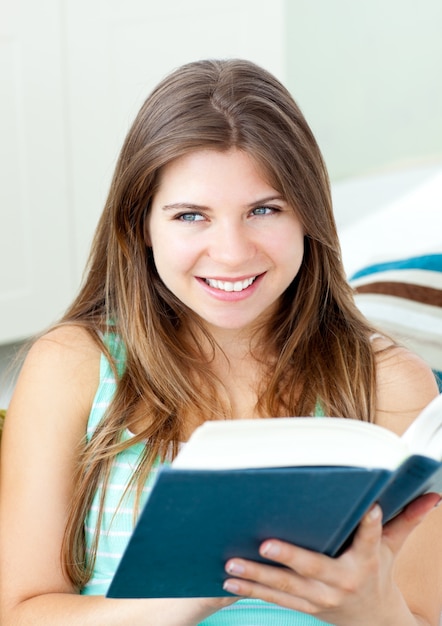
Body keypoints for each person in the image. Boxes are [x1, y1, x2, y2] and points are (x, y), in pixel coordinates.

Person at [0, 58, 441, 626]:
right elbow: (19, 611)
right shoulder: (73, 365)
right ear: (141, 227)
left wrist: (370, 609)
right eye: (190, 216)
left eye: (264, 210)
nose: (231, 252)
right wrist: (190, 593)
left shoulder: (391, 381)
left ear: (308, 216)